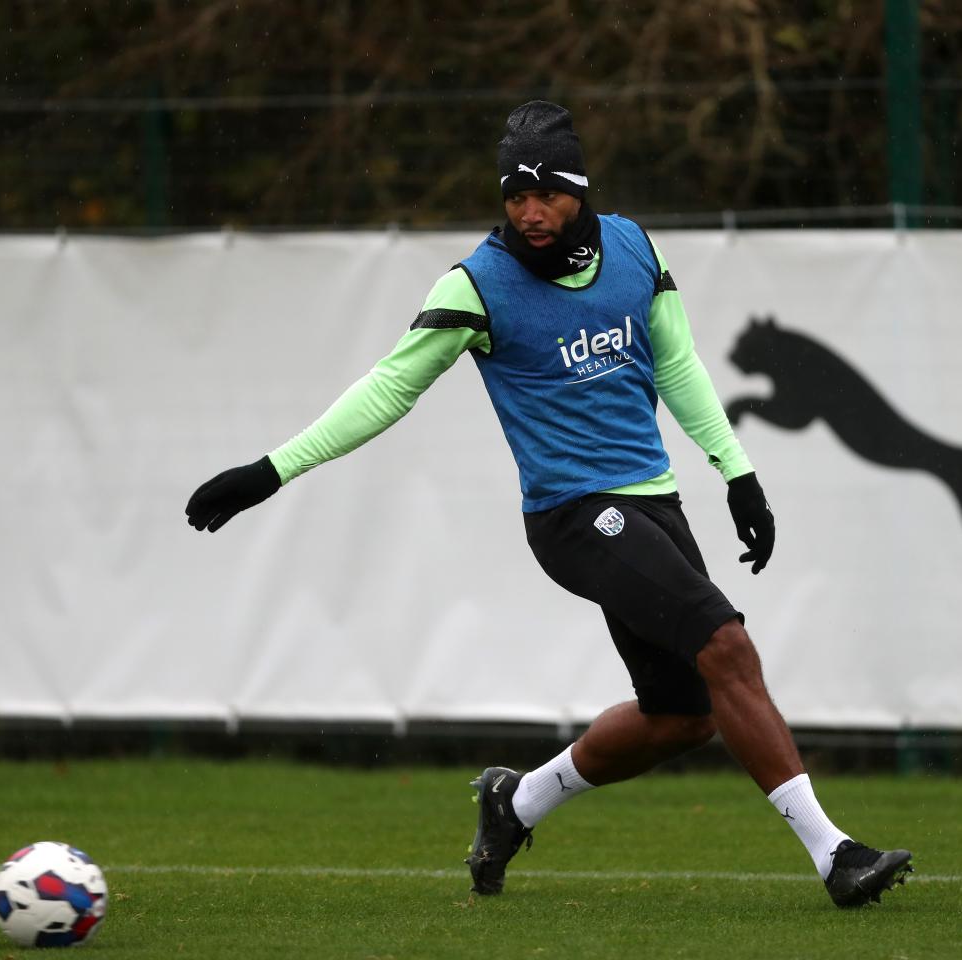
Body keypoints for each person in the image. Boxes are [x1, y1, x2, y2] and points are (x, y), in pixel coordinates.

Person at [186, 101, 913, 908]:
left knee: (683, 716)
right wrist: (272, 470)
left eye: (547, 195)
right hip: (573, 515)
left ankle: (517, 801)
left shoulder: (633, 247)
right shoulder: (477, 285)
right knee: (727, 645)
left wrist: (737, 473)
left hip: (654, 501)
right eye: (515, 196)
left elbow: (677, 363)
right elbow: (390, 388)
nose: (529, 212)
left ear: (580, 191)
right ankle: (835, 855)